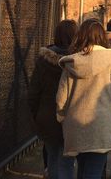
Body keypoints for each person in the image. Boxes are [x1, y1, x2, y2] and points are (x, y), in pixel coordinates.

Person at [56, 20, 111, 178]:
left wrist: (61, 116)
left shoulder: (72, 62)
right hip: (101, 124)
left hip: (75, 124)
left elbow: (62, 96)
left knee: (82, 168)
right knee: (94, 170)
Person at [28, 20, 77, 179]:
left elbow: (34, 91)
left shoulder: (44, 60)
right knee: (67, 162)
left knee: (52, 158)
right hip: (72, 117)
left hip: (47, 115)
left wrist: (36, 115)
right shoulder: (78, 61)